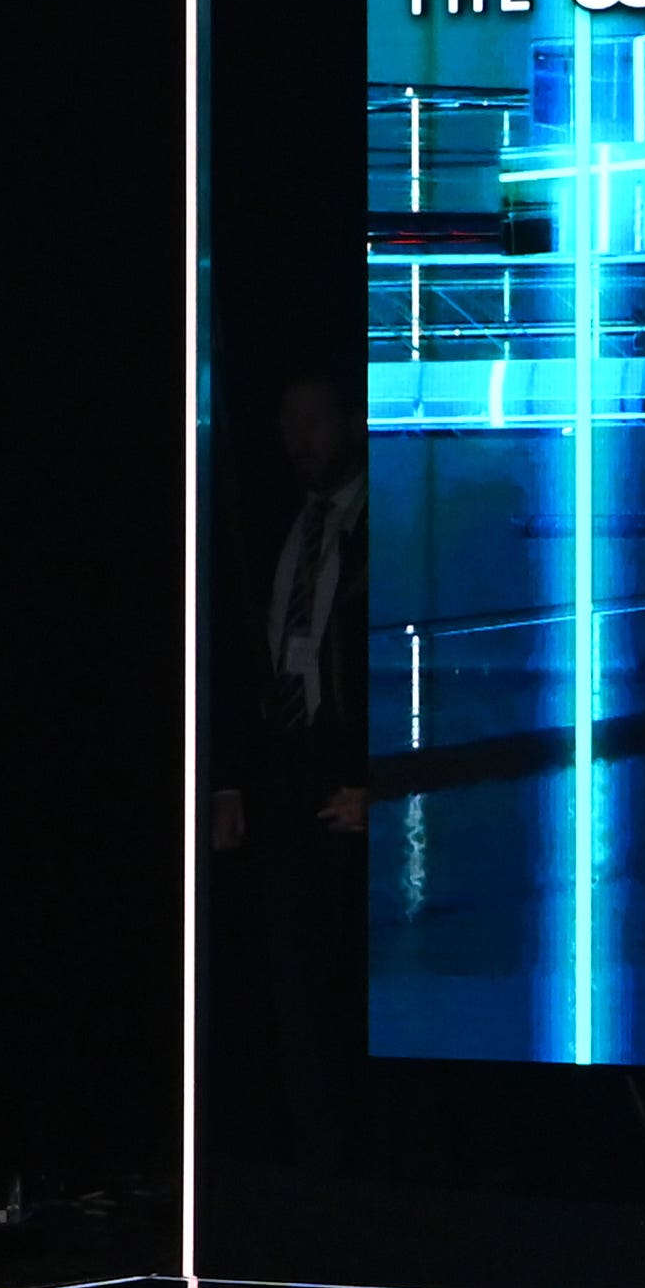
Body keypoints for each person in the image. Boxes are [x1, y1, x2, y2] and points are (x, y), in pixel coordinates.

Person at [208, 374, 367, 1175]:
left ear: (352, 419)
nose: (298, 436)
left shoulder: (379, 521)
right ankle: (314, 1159)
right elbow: (240, 648)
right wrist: (232, 779)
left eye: (314, 419)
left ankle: (362, 1164)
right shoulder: (278, 524)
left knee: (349, 985)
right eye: (286, 420)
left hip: (351, 777)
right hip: (283, 775)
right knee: (291, 982)